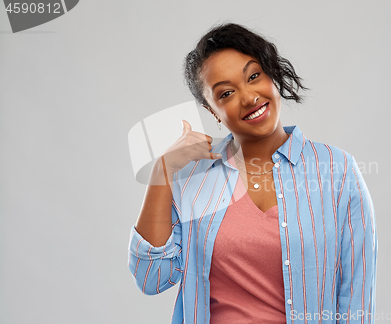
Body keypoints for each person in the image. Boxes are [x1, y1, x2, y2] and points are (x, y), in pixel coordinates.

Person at [128, 22, 378, 324]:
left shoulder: (338, 171)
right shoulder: (194, 179)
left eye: (254, 76)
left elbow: (357, 302)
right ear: (212, 112)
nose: (248, 97)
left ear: (272, 73)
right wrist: (162, 170)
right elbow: (151, 279)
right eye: (226, 93)